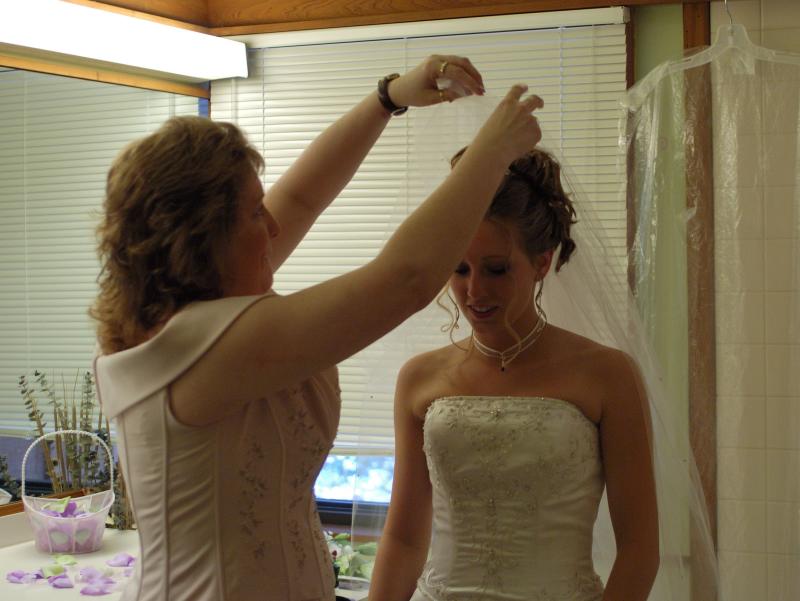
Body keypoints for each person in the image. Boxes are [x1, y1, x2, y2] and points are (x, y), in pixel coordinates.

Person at [90, 55, 544, 601]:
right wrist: (493, 152)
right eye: (256, 213)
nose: (275, 223)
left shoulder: (207, 305)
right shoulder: (202, 347)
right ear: (205, 239)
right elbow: (407, 279)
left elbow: (303, 196)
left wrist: (389, 97)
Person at [367, 147, 660, 601]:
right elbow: (404, 540)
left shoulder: (606, 374)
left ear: (542, 261)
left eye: (497, 269)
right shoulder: (419, 378)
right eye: (459, 269)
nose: (474, 291)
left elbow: (640, 551)